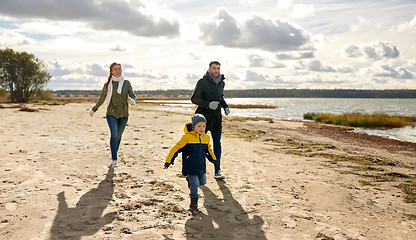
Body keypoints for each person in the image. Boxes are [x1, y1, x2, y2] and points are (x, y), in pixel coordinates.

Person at [164, 114, 217, 212]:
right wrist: (169, 161)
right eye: (199, 126)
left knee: (203, 182)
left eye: (204, 126)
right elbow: (176, 149)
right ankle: (193, 204)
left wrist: (213, 159)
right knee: (195, 184)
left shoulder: (206, 138)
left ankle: (189, 180)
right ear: (193, 127)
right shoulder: (187, 138)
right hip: (190, 166)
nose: (202, 128)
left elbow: (208, 150)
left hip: (201, 166)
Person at [89, 62, 136, 167]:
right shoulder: (107, 85)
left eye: (119, 69)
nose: (118, 71)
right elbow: (102, 98)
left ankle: (114, 151)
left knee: (119, 136)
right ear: (111, 71)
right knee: (114, 134)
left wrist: (132, 100)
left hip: (124, 114)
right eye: (115, 69)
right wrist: (94, 109)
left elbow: (132, 95)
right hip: (111, 113)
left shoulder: (127, 83)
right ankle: (115, 158)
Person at [191, 61, 230, 179]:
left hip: (217, 119)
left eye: (218, 68)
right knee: (200, 145)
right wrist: (208, 104)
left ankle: (217, 170)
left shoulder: (221, 83)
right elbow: (194, 99)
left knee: (217, 144)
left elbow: (220, 97)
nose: (216, 70)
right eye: (214, 68)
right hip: (203, 119)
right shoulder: (202, 82)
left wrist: (225, 106)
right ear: (209, 69)